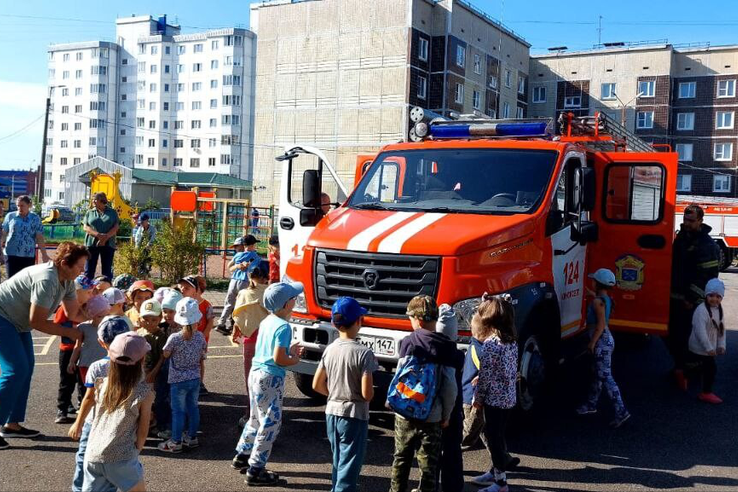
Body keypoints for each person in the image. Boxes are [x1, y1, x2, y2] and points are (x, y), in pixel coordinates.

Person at [0, 241, 87, 450]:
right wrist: (71, 332)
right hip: (3, 317)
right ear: (65, 263)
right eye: (80, 266)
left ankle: (11, 424)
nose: (82, 271)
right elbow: (37, 322)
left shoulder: (66, 280)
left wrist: (99, 322)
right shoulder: (47, 279)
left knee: (26, 368)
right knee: (14, 371)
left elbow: (74, 313)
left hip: (16, 322)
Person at [232, 281, 305, 486]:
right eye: (293, 298)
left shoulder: (267, 320)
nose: (295, 300)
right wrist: (294, 360)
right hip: (270, 378)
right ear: (286, 304)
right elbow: (279, 359)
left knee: (256, 417)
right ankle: (256, 469)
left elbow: (270, 350)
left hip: (256, 372)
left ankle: (242, 454)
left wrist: (286, 351)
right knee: (271, 422)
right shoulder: (284, 327)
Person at [389, 295, 457, 492]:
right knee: (428, 464)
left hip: (404, 413)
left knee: (401, 457)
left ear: (416, 319)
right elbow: (449, 386)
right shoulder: (446, 347)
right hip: (432, 416)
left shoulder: (408, 342)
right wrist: (446, 415)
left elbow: (399, 376)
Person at [312, 297, 378, 492]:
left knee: (338, 459)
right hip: (354, 413)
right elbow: (366, 394)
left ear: (334, 323)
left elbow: (317, 384)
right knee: (350, 463)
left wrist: (333, 393)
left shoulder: (330, 349)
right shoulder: (364, 353)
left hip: (332, 410)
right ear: (359, 321)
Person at [82, 332, 153, 492]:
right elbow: (143, 429)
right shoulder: (143, 393)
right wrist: (137, 449)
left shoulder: (102, 384)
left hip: (93, 452)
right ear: (142, 360)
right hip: (122, 456)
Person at [68, 316, 131, 492]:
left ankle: (80, 488)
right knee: (111, 459)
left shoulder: (97, 367)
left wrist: (77, 423)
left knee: (84, 457)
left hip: (94, 421)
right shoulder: (133, 364)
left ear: (101, 342)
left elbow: (89, 398)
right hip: (118, 422)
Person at [470, 295, 519, 492]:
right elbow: (504, 369)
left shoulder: (491, 344)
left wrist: (478, 399)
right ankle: (494, 471)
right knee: (498, 435)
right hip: (508, 397)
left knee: (494, 439)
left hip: (494, 400)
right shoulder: (511, 340)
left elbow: (487, 377)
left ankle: (501, 483)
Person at [670, 204, 720, 389]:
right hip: (677, 297)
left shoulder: (706, 244)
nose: (687, 223)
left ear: (700, 220)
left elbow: (707, 275)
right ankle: (681, 368)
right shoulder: (683, 238)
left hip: (693, 302)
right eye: (685, 219)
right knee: (675, 336)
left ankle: (692, 373)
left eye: (691, 220)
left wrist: (691, 298)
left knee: (691, 338)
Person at [576, 269, 630, 428]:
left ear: (597, 283)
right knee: (598, 375)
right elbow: (599, 301)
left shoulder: (596, 302)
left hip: (601, 340)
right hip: (607, 339)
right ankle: (590, 404)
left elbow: (599, 325)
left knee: (606, 376)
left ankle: (621, 410)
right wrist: (591, 293)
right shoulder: (605, 299)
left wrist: (592, 343)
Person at [158, 297, 208, 453]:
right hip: (194, 378)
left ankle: (176, 441)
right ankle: (192, 437)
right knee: (193, 408)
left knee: (178, 411)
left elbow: (165, 354)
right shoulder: (200, 337)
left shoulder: (175, 338)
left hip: (178, 380)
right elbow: (202, 356)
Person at [231, 260, 270, 427]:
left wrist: (236, 330)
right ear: (266, 276)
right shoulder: (270, 293)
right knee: (266, 377)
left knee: (250, 378)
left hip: (250, 340)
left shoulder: (244, 294)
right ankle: (266, 413)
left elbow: (238, 318)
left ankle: (250, 414)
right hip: (268, 340)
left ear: (250, 275)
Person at [55, 275, 97, 424]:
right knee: (67, 380)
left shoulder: (88, 308)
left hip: (84, 350)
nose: (91, 294)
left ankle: (82, 405)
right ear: (76, 292)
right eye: (88, 292)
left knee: (84, 380)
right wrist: (73, 331)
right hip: (68, 349)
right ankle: (62, 409)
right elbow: (58, 326)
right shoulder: (65, 308)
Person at [435, 305, 465, 492]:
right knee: (453, 451)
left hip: (433, 410)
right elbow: (452, 389)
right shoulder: (458, 356)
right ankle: (453, 487)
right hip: (452, 412)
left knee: (433, 452)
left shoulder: (431, 351)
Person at [687, 278, 727, 404]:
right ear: (706, 295)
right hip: (700, 346)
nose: (714, 299)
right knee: (710, 369)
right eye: (711, 295)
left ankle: (683, 374)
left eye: (718, 296)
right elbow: (700, 332)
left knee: (698, 366)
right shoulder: (701, 310)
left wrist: (721, 345)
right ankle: (706, 393)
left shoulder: (719, 310)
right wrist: (708, 348)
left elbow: (721, 329)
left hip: (708, 348)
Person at [215, 235, 259, 335]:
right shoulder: (255, 257)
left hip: (233, 280)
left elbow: (230, 267)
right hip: (244, 281)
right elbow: (253, 270)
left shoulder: (238, 255)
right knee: (242, 305)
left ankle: (221, 323)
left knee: (229, 303)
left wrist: (238, 266)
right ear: (252, 245)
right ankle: (239, 327)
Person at [0, 195, 49, 278]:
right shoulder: (10, 216)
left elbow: (39, 237)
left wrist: (44, 254)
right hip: (11, 254)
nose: (20, 208)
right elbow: (4, 234)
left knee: (25, 282)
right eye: (18, 206)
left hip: (28, 256)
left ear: (29, 205)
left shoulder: (35, 218)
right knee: (11, 281)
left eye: (22, 205)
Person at [68, 296, 112, 387]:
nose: (104, 318)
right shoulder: (83, 327)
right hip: (86, 364)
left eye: (107, 315)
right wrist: (72, 361)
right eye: (100, 316)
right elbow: (77, 346)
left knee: (104, 390)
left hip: (105, 366)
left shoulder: (111, 327)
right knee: (85, 390)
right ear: (91, 315)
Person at [83, 192, 120, 280]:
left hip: (108, 244)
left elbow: (116, 227)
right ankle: (86, 290)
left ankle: (105, 289)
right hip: (91, 244)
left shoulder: (112, 212)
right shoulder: (89, 212)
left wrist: (105, 237)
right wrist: (98, 235)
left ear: (102, 200)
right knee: (89, 270)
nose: (93, 201)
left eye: (95, 199)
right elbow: (85, 227)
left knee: (107, 271)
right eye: (92, 199)